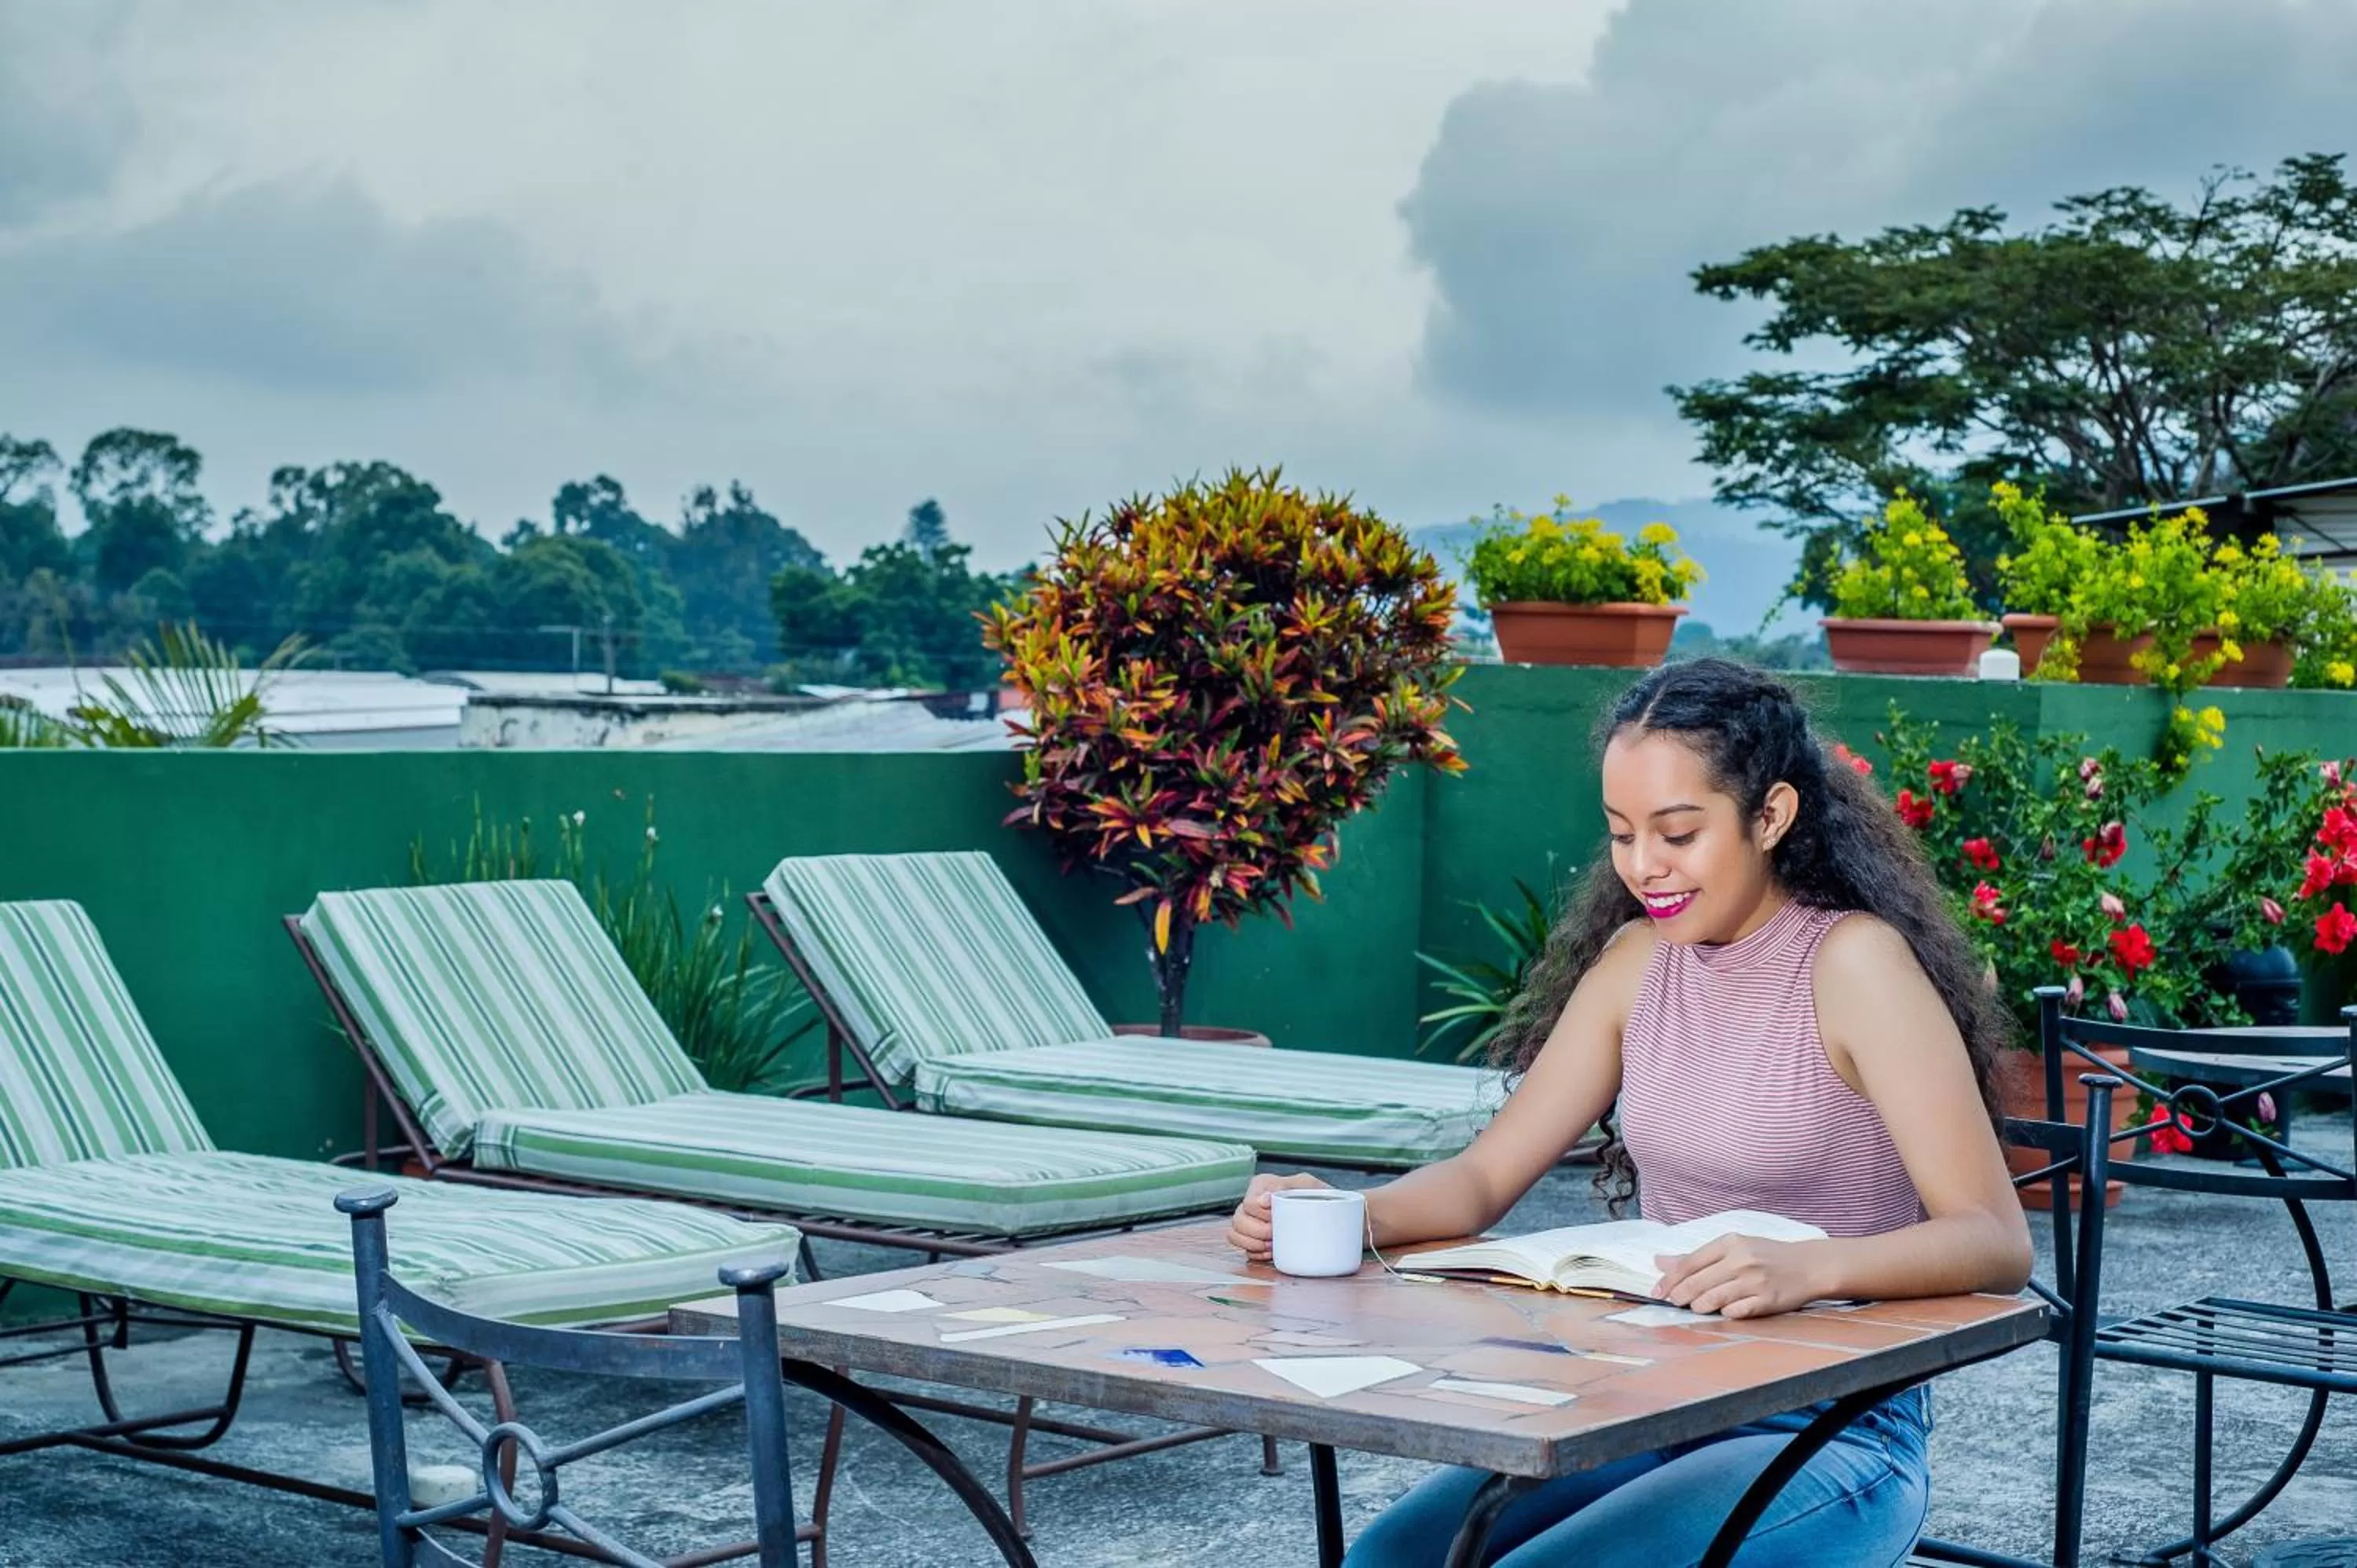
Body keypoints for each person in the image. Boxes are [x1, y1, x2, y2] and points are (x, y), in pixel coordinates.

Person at [1227, 658, 2033, 1568]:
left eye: (1678, 834)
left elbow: (1996, 1242)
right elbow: (1486, 1176)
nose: (1645, 866)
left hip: (1832, 1430)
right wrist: (1342, 1212)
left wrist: (1811, 1267)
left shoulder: (1856, 965)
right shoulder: (1636, 963)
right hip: (1653, 1397)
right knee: (1388, 1561)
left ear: (1770, 816)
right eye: (1621, 834)